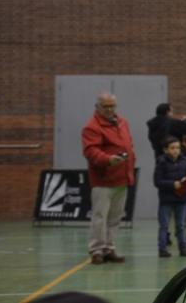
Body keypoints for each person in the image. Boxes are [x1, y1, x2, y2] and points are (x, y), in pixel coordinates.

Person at [81, 92, 135, 265]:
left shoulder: (122, 123)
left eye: (112, 105)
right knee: (100, 217)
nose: (110, 109)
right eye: (106, 106)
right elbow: (90, 151)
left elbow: (129, 145)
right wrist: (107, 159)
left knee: (115, 218)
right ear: (97, 107)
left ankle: (108, 248)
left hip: (122, 177)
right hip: (103, 180)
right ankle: (96, 250)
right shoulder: (92, 127)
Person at [154, 136, 186, 258]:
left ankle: (183, 248)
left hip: (182, 199)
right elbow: (157, 181)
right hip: (166, 200)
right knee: (164, 226)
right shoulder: (161, 163)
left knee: (181, 225)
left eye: (177, 148)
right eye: (172, 148)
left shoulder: (185, 162)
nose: (175, 150)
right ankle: (162, 249)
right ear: (166, 150)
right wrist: (172, 184)